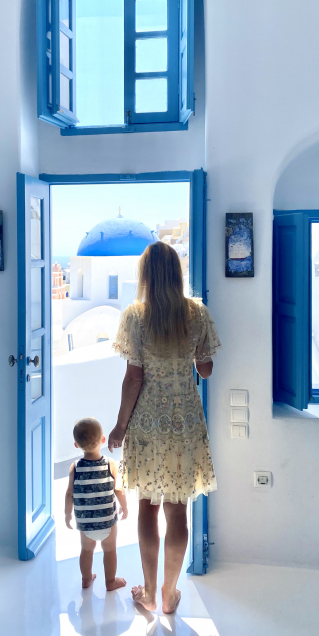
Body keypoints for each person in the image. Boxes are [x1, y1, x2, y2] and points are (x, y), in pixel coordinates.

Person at [108, 241, 219, 614]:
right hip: (185, 423)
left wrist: (120, 427)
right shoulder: (197, 314)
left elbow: (133, 379)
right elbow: (205, 369)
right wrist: (188, 357)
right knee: (177, 511)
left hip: (148, 425)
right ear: (177, 273)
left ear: (146, 276)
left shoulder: (135, 317)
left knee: (147, 508)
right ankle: (170, 594)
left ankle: (150, 593)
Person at [65, 417, 129, 591]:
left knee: (86, 551)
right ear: (102, 440)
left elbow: (69, 493)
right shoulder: (110, 464)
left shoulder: (75, 467)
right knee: (109, 551)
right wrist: (124, 506)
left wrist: (67, 514)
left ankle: (86, 579)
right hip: (107, 520)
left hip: (85, 522)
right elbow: (119, 490)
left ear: (76, 445)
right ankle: (110, 581)